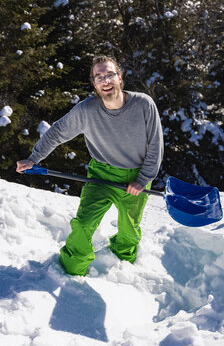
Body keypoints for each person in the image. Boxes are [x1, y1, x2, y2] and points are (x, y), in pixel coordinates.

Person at [16, 55, 164, 276]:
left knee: (129, 232)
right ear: (94, 84)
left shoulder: (143, 104)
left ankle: (123, 271)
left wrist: (143, 179)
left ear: (120, 78)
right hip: (100, 176)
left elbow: (155, 145)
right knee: (83, 224)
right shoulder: (87, 110)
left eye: (110, 75)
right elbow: (57, 132)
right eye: (99, 77)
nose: (105, 80)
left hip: (135, 178)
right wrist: (34, 157)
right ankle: (71, 272)